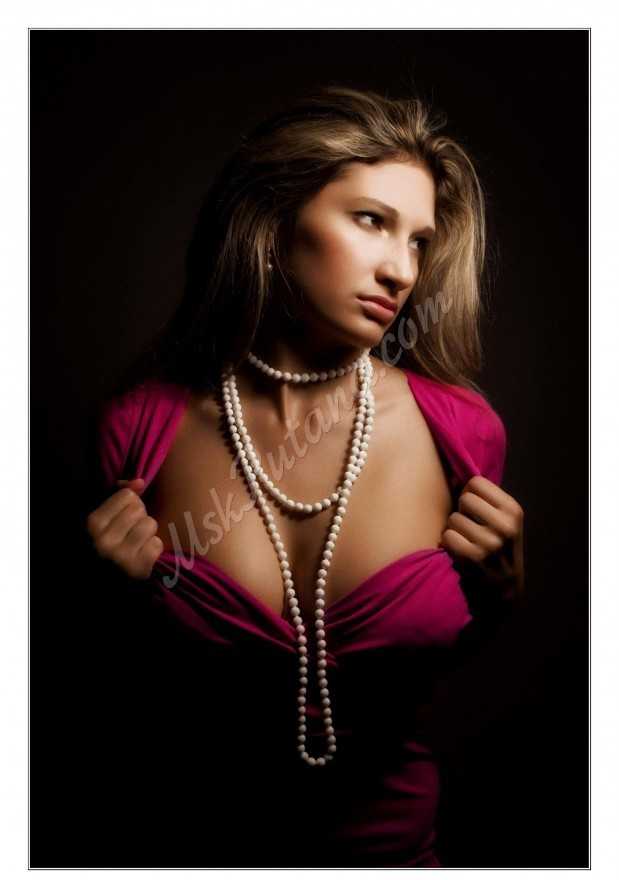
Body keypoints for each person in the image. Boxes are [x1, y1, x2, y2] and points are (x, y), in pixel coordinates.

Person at [86, 86, 525, 868]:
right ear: (272, 221)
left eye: (419, 241)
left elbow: (437, 674)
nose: (401, 269)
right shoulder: (139, 432)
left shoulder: (463, 434)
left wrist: (499, 598)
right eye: (371, 220)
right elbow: (108, 703)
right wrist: (108, 606)